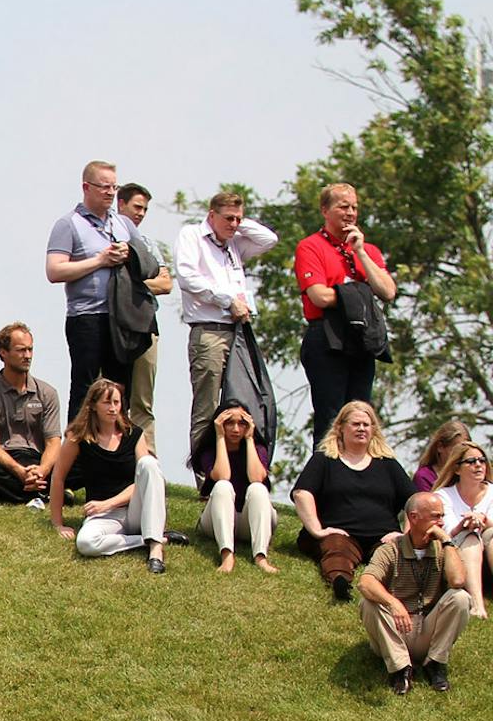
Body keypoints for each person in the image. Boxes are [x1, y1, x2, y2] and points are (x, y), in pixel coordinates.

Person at [295, 183, 400, 445]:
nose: (350, 212)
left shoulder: (369, 250)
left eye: (354, 207)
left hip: (362, 338)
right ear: (325, 210)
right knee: (331, 417)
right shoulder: (310, 247)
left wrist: (361, 253)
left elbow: (387, 290)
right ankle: (325, 479)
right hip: (327, 336)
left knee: (361, 415)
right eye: (343, 206)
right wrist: (361, 294)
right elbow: (319, 296)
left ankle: (358, 477)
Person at [175, 191, 279, 450]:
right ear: (212, 215)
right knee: (207, 406)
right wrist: (226, 300)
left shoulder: (234, 243)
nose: (233, 224)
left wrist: (241, 223)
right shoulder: (193, 236)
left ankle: (235, 473)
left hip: (238, 331)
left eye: (238, 219)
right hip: (209, 331)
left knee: (241, 403)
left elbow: (269, 240)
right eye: (228, 218)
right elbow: (187, 276)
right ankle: (204, 476)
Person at [51, 380, 184, 573]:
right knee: (86, 543)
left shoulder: (134, 434)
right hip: (104, 516)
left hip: (134, 508)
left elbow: (145, 481)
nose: (113, 408)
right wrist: (58, 523)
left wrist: (109, 503)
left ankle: (156, 550)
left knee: (149, 464)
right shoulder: (78, 437)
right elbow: (58, 477)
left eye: (117, 402)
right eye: (107, 402)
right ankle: (152, 538)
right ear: (93, 405)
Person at [293, 401, 415, 603]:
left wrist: (406, 536)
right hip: (340, 534)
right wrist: (317, 530)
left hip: (382, 537)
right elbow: (302, 493)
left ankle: (395, 591)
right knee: (337, 549)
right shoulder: (324, 460)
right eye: (355, 424)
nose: (361, 429)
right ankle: (340, 583)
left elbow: (414, 501)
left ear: (373, 429)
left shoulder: (388, 464)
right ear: (340, 427)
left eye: (366, 425)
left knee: (392, 556)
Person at [46, 160, 139, 416]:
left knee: (119, 389)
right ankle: (76, 452)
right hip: (86, 317)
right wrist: (100, 261)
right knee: (86, 388)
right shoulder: (68, 224)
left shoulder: (123, 224)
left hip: (120, 319)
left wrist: (128, 253)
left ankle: (116, 450)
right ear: (86, 187)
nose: (110, 192)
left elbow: (147, 262)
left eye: (114, 187)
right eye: (104, 187)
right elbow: (54, 271)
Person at [357, 493, 469, 694]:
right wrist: (393, 603)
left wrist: (447, 541)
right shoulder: (391, 550)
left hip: (428, 630)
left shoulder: (445, 549)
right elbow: (365, 582)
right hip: (396, 631)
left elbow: (458, 581)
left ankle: (435, 663)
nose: (441, 522)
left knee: (460, 598)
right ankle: (400, 669)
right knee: (368, 602)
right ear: (414, 517)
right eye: (436, 516)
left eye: (442, 516)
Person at [0, 323, 64, 508]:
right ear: (3, 353)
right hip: (4, 461)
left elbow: (53, 441)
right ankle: (46, 493)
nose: (28, 356)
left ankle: (3, 491)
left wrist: (42, 470)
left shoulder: (47, 392)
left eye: (30, 349)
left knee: (84, 460)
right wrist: (19, 471)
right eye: (21, 350)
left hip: (38, 459)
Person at [193, 400, 278, 574]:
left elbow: (257, 478)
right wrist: (220, 437)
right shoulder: (209, 450)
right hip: (219, 519)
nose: (236, 429)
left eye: (241, 423)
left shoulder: (257, 448)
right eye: (229, 423)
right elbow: (222, 476)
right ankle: (226, 554)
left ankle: (261, 556)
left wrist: (249, 439)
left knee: (258, 489)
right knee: (223, 486)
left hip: (249, 520)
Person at [115, 183, 173, 437]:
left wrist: (131, 283)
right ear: (121, 204)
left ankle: (147, 460)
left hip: (146, 324)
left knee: (143, 401)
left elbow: (166, 283)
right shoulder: (108, 239)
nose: (141, 213)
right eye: (137, 207)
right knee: (111, 395)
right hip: (113, 324)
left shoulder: (148, 244)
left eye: (145, 209)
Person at [433, 440, 490, 617]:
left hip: (489, 557)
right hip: (459, 556)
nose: (479, 465)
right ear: (457, 469)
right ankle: (477, 605)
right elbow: (447, 532)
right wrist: (464, 525)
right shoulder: (443, 496)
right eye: (471, 461)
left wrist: (484, 520)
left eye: (482, 460)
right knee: (470, 535)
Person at [413, 419, 469, 494]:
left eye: (465, 450)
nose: (461, 455)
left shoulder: (467, 475)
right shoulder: (424, 477)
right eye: (456, 450)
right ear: (440, 447)